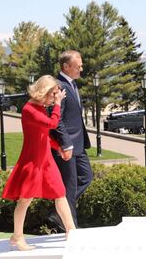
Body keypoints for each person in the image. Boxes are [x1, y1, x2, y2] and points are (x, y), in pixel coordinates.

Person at [2, 75, 75, 251]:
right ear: (46, 91)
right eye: (54, 94)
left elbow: (42, 134)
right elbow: (51, 124)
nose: (55, 98)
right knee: (25, 200)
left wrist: (57, 147)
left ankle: (71, 232)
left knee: (60, 193)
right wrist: (58, 105)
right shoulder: (29, 109)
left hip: (46, 160)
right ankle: (17, 237)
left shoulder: (40, 107)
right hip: (33, 161)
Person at [48, 50, 93, 230]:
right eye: (78, 66)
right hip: (66, 147)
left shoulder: (72, 84)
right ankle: (70, 227)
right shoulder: (59, 87)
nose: (81, 68)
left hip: (79, 145)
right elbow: (56, 119)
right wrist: (66, 143)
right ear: (66, 66)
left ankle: (58, 214)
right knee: (69, 186)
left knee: (86, 177)